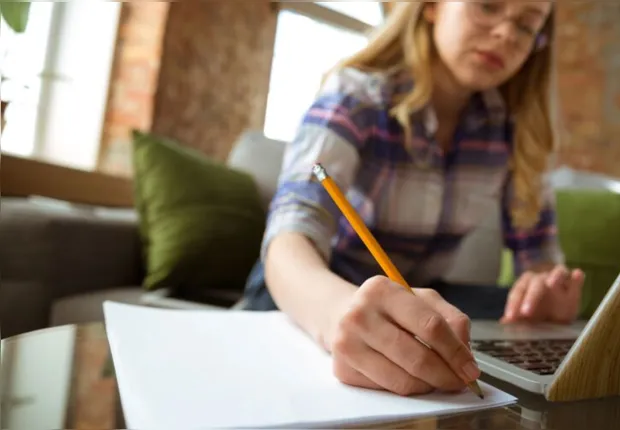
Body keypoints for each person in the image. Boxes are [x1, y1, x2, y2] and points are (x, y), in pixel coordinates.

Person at [242, 1, 585, 396]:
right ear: (432, 7)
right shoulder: (357, 95)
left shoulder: (513, 129)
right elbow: (290, 235)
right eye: (488, 6)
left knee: (504, 326)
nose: (506, 34)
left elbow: (538, 260)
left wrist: (542, 299)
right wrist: (338, 312)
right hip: (317, 286)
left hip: (419, 295)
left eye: (527, 26)